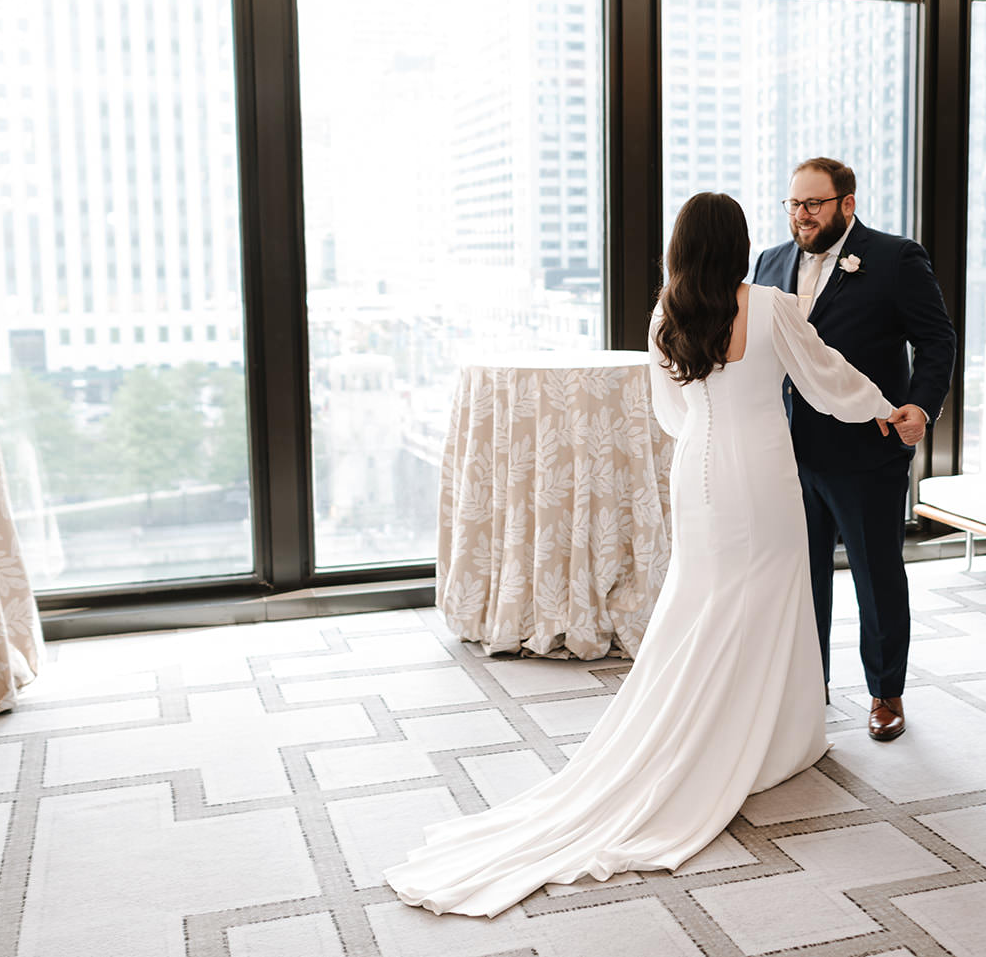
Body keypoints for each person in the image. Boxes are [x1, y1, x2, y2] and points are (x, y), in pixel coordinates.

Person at [384, 192, 896, 918]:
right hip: (763, 472)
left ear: (682, 246)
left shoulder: (666, 314)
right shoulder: (776, 306)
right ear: (739, 242)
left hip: (699, 472)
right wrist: (884, 406)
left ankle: (713, 721)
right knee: (774, 593)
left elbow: (670, 412)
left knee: (703, 598)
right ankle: (774, 737)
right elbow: (827, 381)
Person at [752, 157, 956, 742]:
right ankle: (808, 686)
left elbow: (937, 340)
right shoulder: (769, 262)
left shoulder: (895, 258)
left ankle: (885, 693)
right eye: (793, 204)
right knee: (803, 574)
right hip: (790, 450)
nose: (801, 215)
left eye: (813, 204)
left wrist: (921, 405)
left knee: (876, 575)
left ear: (847, 202)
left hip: (871, 448)